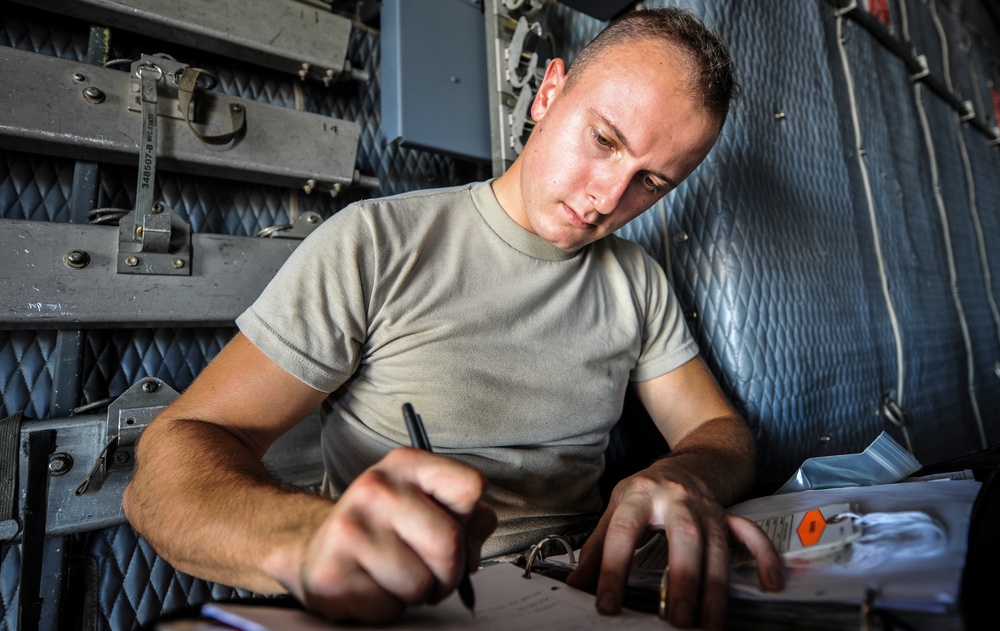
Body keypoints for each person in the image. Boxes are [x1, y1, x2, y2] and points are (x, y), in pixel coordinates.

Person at [123, 6, 784, 630]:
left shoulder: (637, 279)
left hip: (585, 595)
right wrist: (309, 536)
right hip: (412, 604)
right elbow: (166, 468)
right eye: (605, 140)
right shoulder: (377, 244)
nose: (606, 198)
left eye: (652, 182)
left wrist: (677, 477)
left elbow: (718, 431)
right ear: (549, 92)